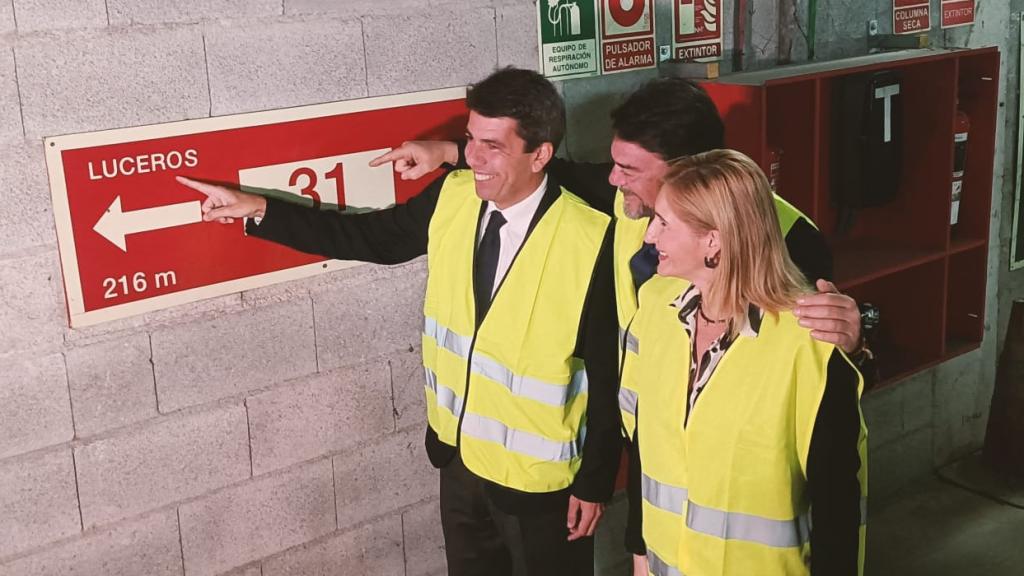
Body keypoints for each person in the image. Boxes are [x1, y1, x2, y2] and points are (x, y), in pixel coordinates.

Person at [371, 77, 869, 571]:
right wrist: (452, 152)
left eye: (628, 169)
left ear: (688, 176)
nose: (612, 179)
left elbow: (821, 398)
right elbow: (550, 168)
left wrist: (852, 341)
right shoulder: (635, 221)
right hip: (656, 457)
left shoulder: (795, 244)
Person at [177, 68, 621, 576]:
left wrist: (596, 482)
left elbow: (611, 374)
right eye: (470, 140)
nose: (471, 156)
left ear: (540, 155)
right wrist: (258, 209)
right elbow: (372, 239)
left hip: (541, 485)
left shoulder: (590, 236)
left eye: (491, 146)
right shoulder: (452, 196)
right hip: (457, 463)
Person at [626, 149, 866, 576]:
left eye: (664, 223)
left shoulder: (807, 342)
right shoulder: (654, 306)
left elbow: (837, 505)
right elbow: (644, 440)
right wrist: (639, 550)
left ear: (713, 240)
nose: (648, 237)